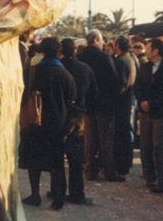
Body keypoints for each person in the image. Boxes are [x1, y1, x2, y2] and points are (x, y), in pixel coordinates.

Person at [19, 37, 75, 210]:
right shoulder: (65, 75)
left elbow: (23, 94)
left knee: (33, 160)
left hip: (35, 122)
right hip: (57, 123)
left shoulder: (33, 71)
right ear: (58, 52)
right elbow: (72, 100)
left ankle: (35, 194)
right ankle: (58, 198)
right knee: (57, 162)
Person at [135, 38, 163, 193]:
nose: (146, 50)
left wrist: (151, 103)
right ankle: (149, 177)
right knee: (145, 145)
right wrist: (142, 101)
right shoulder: (145, 68)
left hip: (160, 113)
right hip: (145, 113)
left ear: (155, 51)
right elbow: (138, 86)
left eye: (148, 48)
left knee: (159, 147)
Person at [78, 29, 123, 182]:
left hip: (88, 104)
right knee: (106, 140)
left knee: (89, 139)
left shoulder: (81, 57)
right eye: (102, 40)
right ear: (97, 40)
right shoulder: (105, 57)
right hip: (105, 104)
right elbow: (114, 81)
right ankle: (109, 171)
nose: (103, 42)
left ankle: (90, 171)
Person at [60, 37, 97, 204]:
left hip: (60, 115)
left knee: (58, 156)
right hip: (78, 116)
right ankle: (77, 194)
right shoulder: (85, 69)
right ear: (75, 50)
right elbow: (93, 93)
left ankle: (58, 191)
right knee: (75, 158)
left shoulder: (60, 68)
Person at [114, 35, 137, 175]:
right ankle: (125, 163)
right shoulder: (131, 59)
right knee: (126, 133)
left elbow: (120, 84)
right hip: (127, 101)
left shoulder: (121, 61)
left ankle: (122, 165)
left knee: (121, 134)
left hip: (121, 102)